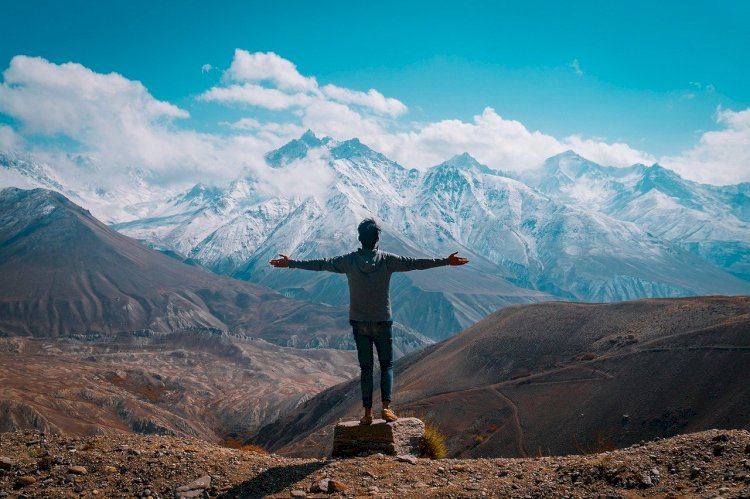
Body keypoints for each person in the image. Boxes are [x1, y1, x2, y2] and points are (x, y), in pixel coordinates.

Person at [269, 218, 469, 425]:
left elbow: (321, 264)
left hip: (359, 321)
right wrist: (446, 261)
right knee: (386, 365)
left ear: (359, 238)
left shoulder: (349, 260)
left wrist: (291, 263)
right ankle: (386, 408)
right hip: (383, 320)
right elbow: (415, 264)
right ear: (378, 239)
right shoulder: (388, 260)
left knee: (366, 368)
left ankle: (367, 414)